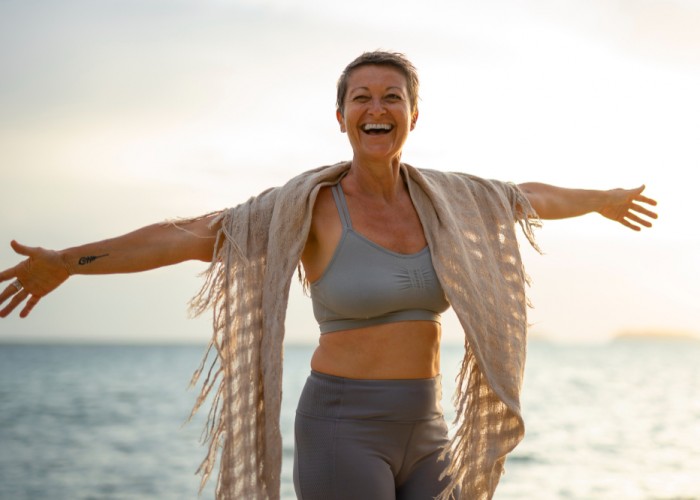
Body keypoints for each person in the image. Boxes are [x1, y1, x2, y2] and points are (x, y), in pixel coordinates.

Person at [0, 51, 657, 500]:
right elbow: (189, 236)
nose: (378, 107)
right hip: (344, 427)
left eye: (392, 97)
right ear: (342, 116)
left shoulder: (451, 201)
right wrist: (71, 259)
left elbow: (527, 196)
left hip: (427, 427)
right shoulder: (308, 207)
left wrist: (600, 199)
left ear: (412, 116)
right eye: (362, 98)